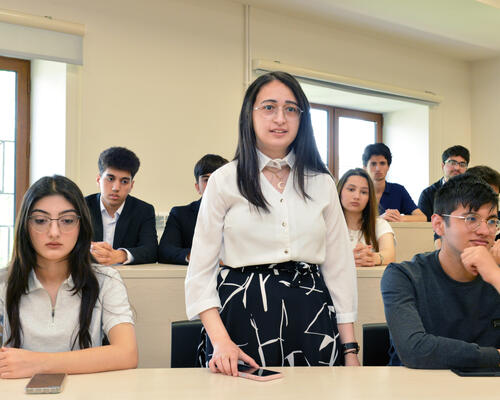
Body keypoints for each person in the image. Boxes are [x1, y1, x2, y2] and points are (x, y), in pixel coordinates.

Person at [185, 71, 359, 376]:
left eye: (291, 109)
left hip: (311, 318)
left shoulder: (321, 182)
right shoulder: (225, 180)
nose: (280, 118)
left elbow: (339, 269)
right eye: (269, 107)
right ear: (249, 115)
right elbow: (200, 272)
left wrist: (350, 349)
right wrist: (221, 342)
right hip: (240, 319)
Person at [0, 175, 137, 379]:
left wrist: (38, 363)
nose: (54, 232)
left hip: (87, 391)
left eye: (67, 221)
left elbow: (127, 354)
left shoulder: (106, 280)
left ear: (81, 226)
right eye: (40, 221)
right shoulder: (4, 282)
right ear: (25, 226)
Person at [381, 174, 500, 369]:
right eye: (471, 218)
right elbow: (414, 349)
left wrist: (495, 276)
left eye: (492, 221)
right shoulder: (403, 276)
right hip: (416, 385)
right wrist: (495, 357)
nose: (485, 231)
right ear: (438, 224)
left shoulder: (496, 275)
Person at [86, 147, 158, 265]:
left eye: (124, 181)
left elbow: (151, 250)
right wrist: (88, 249)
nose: (116, 188)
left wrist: (121, 255)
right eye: (110, 179)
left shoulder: (143, 210)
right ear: (98, 180)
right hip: (88, 272)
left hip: (125, 274)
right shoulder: (81, 206)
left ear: (131, 185)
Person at [158, 154, 228, 265]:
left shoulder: (241, 213)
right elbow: (164, 251)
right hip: (194, 273)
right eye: (206, 180)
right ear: (197, 187)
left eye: (218, 179)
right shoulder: (180, 214)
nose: (213, 184)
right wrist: (199, 257)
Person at [337, 168, 395, 267]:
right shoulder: (327, 223)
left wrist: (371, 257)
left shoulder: (379, 224)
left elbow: (390, 255)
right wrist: (348, 258)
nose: (356, 196)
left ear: (369, 198)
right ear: (340, 191)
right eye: (351, 189)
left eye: (363, 192)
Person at [362, 143, 426, 222]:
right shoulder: (359, 191)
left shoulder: (398, 190)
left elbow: (422, 217)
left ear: (388, 167)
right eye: (373, 164)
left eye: (382, 163)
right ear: (365, 167)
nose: (378, 168)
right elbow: (352, 220)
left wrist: (400, 218)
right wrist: (380, 219)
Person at [418, 145, 470, 221]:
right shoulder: (428, 194)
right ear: (443, 166)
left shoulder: (471, 192)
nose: (457, 168)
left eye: (462, 164)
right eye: (452, 163)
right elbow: (425, 224)